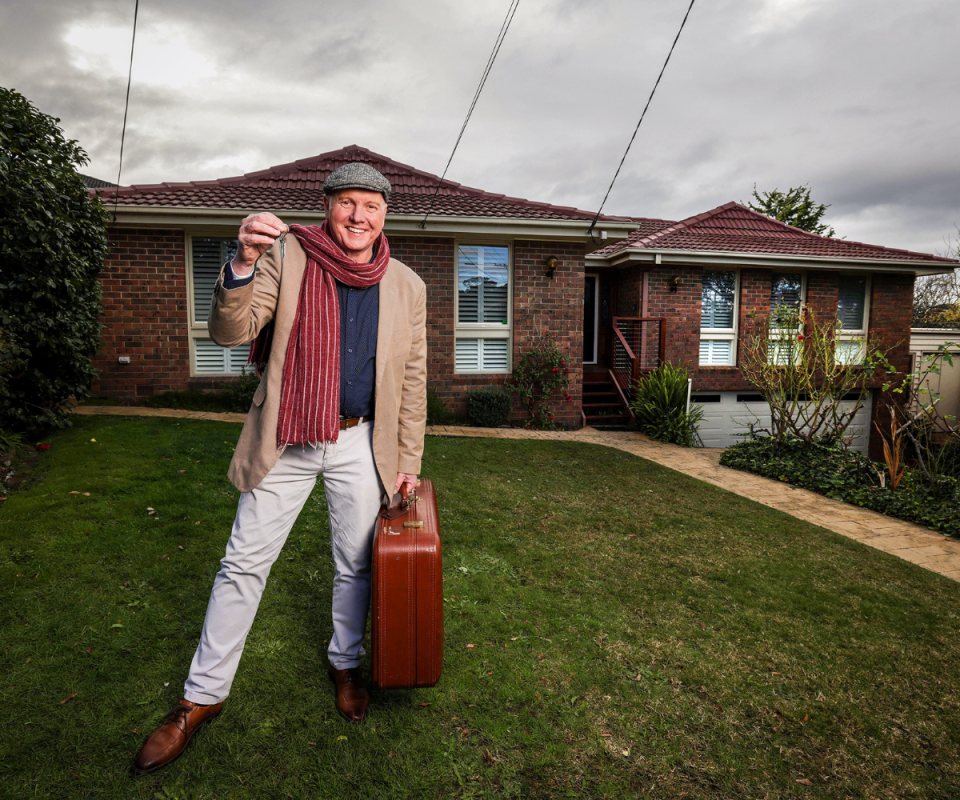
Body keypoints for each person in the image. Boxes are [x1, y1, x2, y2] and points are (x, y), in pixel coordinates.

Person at [133, 163, 427, 775]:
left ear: (384, 215)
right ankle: (200, 697)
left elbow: (412, 381)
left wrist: (408, 462)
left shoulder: (406, 285)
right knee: (242, 563)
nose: (357, 216)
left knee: (355, 566)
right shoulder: (288, 256)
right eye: (346, 203)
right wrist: (241, 261)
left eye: (370, 206)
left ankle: (344, 662)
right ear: (327, 207)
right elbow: (229, 329)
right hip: (287, 437)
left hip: (361, 442)